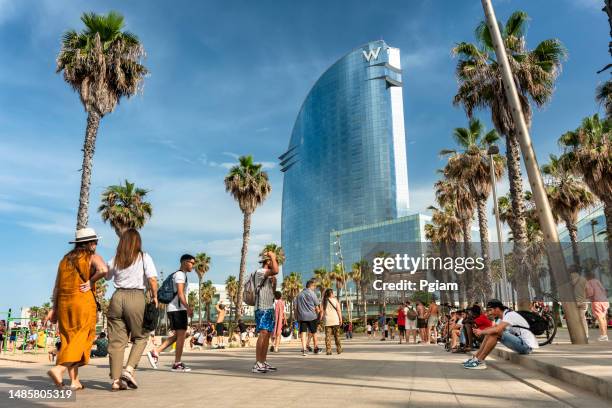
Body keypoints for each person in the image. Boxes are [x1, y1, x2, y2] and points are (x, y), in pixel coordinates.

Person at [45, 228, 108, 390]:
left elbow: (57, 286)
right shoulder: (91, 256)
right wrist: (91, 282)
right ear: (87, 243)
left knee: (69, 339)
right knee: (82, 337)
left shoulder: (64, 260)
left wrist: (54, 308)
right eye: (94, 241)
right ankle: (59, 369)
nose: (96, 244)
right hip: (82, 302)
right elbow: (103, 270)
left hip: (64, 304)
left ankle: (75, 381)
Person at [106, 229, 159, 390]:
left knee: (116, 341)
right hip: (136, 297)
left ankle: (116, 381)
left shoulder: (115, 259)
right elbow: (152, 278)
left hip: (116, 297)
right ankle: (129, 370)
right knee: (141, 335)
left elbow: (106, 276)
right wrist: (155, 296)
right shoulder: (144, 257)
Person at [147, 254, 195, 372]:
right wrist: (188, 308)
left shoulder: (179, 275)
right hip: (178, 310)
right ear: (184, 262)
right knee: (181, 336)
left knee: (181, 335)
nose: (193, 266)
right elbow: (180, 293)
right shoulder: (180, 275)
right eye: (191, 263)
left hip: (175, 309)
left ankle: (156, 352)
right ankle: (177, 363)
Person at [464, 299, 539, 370]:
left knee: (495, 333)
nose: (489, 313)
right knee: (490, 332)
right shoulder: (502, 317)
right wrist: (480, 331)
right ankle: (476, 358)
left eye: (490, 310)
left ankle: (480, 361)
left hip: (526, 346)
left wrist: (481, 332)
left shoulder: (509, 315)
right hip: (520, 343)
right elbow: (492, 329)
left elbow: (497, 330)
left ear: (497, 309)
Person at [252, 250, 279, 373]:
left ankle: (263, 362)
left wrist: (274, 283)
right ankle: (257, 363)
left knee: (267, 334)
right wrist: (273, 256)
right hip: (261, 307)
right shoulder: (260, 272)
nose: (275, 262)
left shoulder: (268, 275)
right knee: (263, 333)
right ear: (267, 261)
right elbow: (276, 270)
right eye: (273, 261)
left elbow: (272, 292)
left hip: (269, 307)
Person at [295, 279, 321, 356]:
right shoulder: (312, 294)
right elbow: (317, 306)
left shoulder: (299, 295)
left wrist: (297, 317)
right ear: (311, 286)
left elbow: (296, 308)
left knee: (303, 333)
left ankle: (304, 349)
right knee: (314, 332)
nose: (315, 288)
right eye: (314, 286)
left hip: (302, 317)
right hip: (312, 316)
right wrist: (318, 313)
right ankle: (316, 348)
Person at [586, 270, 609, 341]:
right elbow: (604, 291)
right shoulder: (598, 281)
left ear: (588, 277)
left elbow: (591, 292)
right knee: (603, 318)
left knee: (599, 318)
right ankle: (605, 335)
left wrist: (586, 296)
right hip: (604, 301)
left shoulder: (589, 282)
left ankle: (603, 335)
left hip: (597, 301)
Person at [321, 289, 343, 355]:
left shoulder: (324, 301)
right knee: (337, 336)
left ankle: (328, 351)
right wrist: (340, 319)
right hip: (335, 320)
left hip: (327, 321)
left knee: (328, 337)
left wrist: (321, 318)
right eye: (333, 293)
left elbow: (322, 311)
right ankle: (339, 349)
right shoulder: (335, 300)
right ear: (331, 294)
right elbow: (339, 310)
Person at [569, 266, 589, 338]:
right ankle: (586, 334)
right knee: (583, 318)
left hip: (573, 303)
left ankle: (577, 335)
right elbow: (588, 291)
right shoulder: (584, 279)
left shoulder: (569, 278)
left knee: (574, 320)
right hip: (583, 302)